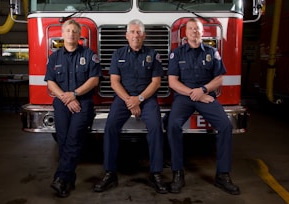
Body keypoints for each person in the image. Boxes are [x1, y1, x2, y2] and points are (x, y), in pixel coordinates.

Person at [166, 18, 240, 195]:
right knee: (173, 125)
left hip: (206, 96)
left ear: (202, 32)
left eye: (197, 29)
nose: (194, 32)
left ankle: (222, 175)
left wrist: (203, 90)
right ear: (185, 33)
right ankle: (177, 173)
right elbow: (173, 82)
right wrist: (194, 93)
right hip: (185, 97)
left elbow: (220, 78)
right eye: (191, 29)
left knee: (225, 126)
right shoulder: (177, 54)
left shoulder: (212, 52)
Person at [94, 19, 167, 194]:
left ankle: (156, 173)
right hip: (123, 98)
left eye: (139, 32)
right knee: (110, 126)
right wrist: (129, 100)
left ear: (144, 36)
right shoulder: (117, 54)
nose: (135, 35)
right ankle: (110, 173)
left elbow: (156, 83)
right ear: (127, 36)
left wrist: (139, 99)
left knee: (156, 127)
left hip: (147, 98)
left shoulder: (153, 54)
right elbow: (114, 82)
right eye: (132, 32)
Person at [44, 19, 102, 198]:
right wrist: (66, 97)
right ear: (62, 34)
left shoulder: (89, 54)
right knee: (63, 139)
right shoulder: (54, 57)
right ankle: (68, 180)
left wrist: (74, 94)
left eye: (74, 31)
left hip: (82, 102)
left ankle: (61, 178)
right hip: (62, 102)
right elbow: (50, 81)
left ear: (79, 35)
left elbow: (94, 80)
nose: (71, 34)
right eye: (68, 31)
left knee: (74, 137)